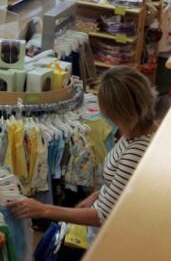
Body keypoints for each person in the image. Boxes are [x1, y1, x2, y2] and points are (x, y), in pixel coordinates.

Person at [8, 66, 156, 227]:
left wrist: (44, 210)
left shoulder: (137, 152)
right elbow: (123, 185)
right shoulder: (135, 132)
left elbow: (101, 216)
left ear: (119, 112)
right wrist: (97, 196)